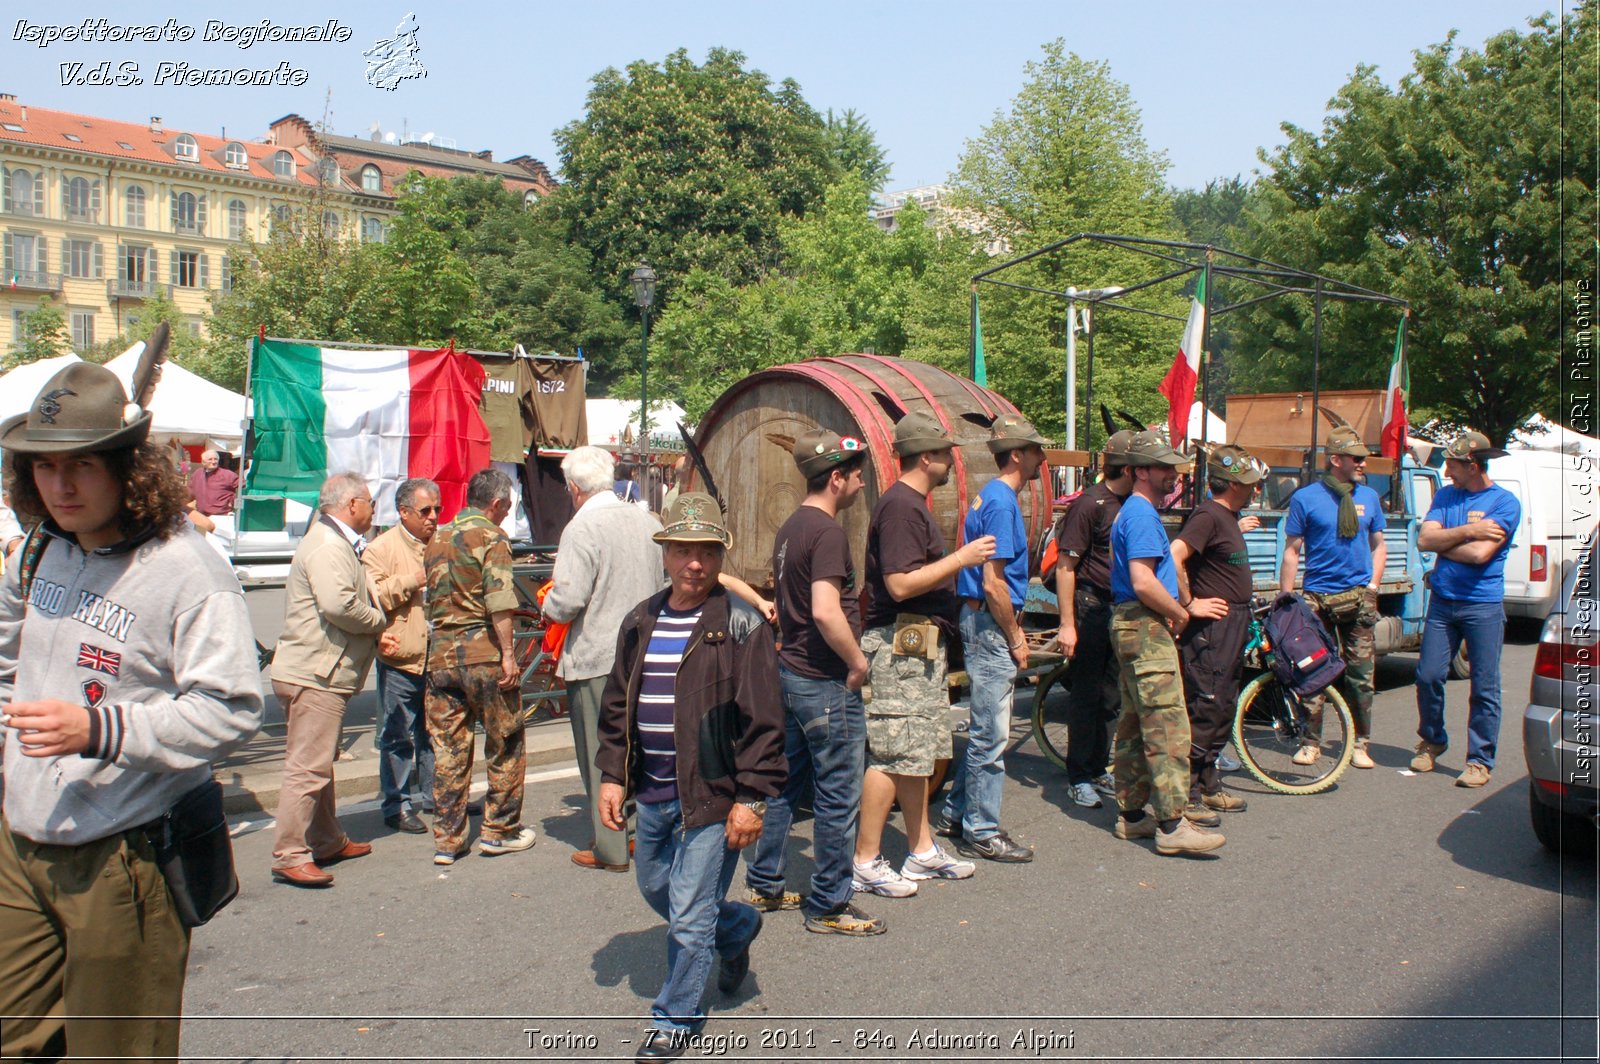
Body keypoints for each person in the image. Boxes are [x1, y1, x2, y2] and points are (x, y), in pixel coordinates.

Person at [0, 362, 262, 1059]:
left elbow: (232, 708)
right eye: (44, 468)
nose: (60, 486)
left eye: (81, 465)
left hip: (124, 854)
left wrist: (99, 729)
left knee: (115, 1053)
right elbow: (3, 659)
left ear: (127, 466)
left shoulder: (188, 570)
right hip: (21, 842)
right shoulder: (38, 548)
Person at [595, 493, 785, 1061]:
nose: (694, 563)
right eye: (683, 550)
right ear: (665, 554)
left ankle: (676, 1018)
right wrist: (612, 775)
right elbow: (616, 705)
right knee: (656, 888)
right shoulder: (642, 618)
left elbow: (765, 721)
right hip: (652, 790)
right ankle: (736, 928)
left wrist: (752, 798)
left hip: (713, 794)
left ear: (719, 556)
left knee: (687, 916)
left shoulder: (742, 623)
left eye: (705, 551)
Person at [851, 413, 995, 898]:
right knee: (893, 752)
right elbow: (898, 583)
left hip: (916, 645)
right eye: (946, 453)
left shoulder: (911, 504)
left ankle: (922, 850)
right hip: (899, 644)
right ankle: (865, 860)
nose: (953, 461)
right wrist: (961, 558)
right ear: (928, 457)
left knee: (915, 751)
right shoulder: (901, 509)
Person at [746, 430, 883, 935]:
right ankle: (828, 903)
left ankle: (765, 881)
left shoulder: (791, 527)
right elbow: (826, 611)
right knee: (838, 795)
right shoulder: (826, 532)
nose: (861, 481)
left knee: (784, 784)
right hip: (825, 680)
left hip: (792, 674)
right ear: (835, 478)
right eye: (855, 473)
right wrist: (857, 663)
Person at [542, 446, 665, 872]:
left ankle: (611, 846)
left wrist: (548, 605)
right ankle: (637, 833)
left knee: (601, 754)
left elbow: (568, 600)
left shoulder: (582, 527)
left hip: (597, 655)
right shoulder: (647, 520)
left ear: (574, 488)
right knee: (638, 748)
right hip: (645, 653)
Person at [1108, 431, 1225, 856]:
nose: (1172, 474)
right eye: (1162, 467)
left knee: (1137, 723)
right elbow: (1143, 581)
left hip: (1133, 626)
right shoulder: (1140, 515)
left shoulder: (1136, 512)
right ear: (1140, 471)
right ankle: (1172, 825)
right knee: (1167, 724)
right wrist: (1179, 611)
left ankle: (1133, 817)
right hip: (1145, 626)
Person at [941, 413, 1050, 863]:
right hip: (989, 622)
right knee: (992, 732)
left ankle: (956, 811)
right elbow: (994, 583)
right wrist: (1017, 636)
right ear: (1019, 455)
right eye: (1037, 451)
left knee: (986, 725)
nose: (1043, 459)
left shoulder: (989, 496)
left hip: (978, 619)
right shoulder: (1003, 503)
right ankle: (982, 829)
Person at [269, 471, 387, 887]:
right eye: (370, 502)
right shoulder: (327, 544)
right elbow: (338, 604)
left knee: (318, 763)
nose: (374, 510)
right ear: (352, 504)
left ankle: (326, 838)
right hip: (317, 672)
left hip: (317, 669)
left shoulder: (331, 541)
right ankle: (290, 852)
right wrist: (378, 621)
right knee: (308, 767)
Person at [424, 467, 536, 863]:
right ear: (497, 503)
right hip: (482, 652)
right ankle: (499, 830)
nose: (506, 514)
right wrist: (508, 654)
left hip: (439, 654)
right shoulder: (492, 537)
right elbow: (500, 599)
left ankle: (448, 839)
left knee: (449, 750)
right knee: (505, 741)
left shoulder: (437, 535)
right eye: (505, 508)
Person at [1412, 431, 1520, 787]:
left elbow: (1479, 556)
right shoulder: (1446, 496)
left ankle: (1479, 760)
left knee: (1484, 686)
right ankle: (1432, 740)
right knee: (1428, 675)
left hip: (1483, 605)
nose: (1446, 473)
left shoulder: (1505, 503)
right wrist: (1471, 529)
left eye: (1452, 466)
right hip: (1443, 603)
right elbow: (1424, 539)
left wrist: (1445, 543)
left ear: (1472, 465)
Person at [1278, 426, 1386, 770]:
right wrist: (1287, 598)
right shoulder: (1305, 498)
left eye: (1363, 458)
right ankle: (1311, 742)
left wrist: (1373, 588)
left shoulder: (1368, 498)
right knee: (1313, 673)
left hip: (1358, 597)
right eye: (1356, 458)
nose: (1362, 463)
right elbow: (1292, 551)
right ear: (1335, 460)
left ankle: (1360, 743)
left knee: (1361, 676)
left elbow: (1379, 546)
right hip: (1317, 598)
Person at [1170, 445, 1262, 825]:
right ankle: (1188, 792)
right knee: (1205, 705)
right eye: (1250, 484)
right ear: (1233, 485)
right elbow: (1174, 555)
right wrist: (1190, 604)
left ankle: (1209, 783)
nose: (1256, 490)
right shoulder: (1208, 515)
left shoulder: (1226, 516)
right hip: (1212, 628)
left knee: (1223, 703)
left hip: (1233, 622)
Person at [1052, 429, 1136, 809]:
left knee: (1109, 696)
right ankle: (1079, 777)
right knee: (1086, 697)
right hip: (1090, 607)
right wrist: (1068, 623)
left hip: (1115, 607)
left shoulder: (1130, 502)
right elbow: (1066, 567)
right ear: (1130, 468)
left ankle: (1098, 767)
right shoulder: (1091, 504)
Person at [362, 477, 441, 835]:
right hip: (401, 656)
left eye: (437, 509)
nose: (433, 517)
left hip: (437, 655)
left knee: (434, 732)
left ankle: (435, 795)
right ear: (404, 512)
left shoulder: (439, 542)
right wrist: (413, 579)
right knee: (398, 735)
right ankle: (396, 803)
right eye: (426, 511)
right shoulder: (380, 549)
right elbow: (372, 597)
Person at [187, 449, 239, 517]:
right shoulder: (197, 474)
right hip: (202, 516)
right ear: (203, 462)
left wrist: (232, 500)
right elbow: (189, 493)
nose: (213, 462)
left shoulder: (228, 475)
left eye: (215, 459)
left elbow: (243, 488)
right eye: (210, 459)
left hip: (222, 516)